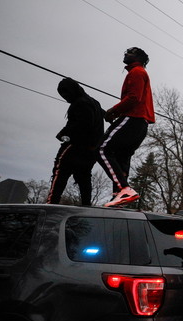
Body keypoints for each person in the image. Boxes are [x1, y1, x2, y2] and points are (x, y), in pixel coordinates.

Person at [98, 46, 155, 207]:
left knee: (101, 149)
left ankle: (124, 189)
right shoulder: (140, 72)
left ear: (139, 58)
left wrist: (113, 111)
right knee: (121, 157)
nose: (126, 54)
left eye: (130, 53)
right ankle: (119, 197)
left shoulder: (137, 72)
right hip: (141, 124)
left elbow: (134, 98)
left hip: (133, 119)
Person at [47, 78, 104, 206]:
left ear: (73, 90)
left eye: (66, 93)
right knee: (84, 177)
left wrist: (63, 133)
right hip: (91, 150)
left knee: (60, 172)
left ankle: (52, 203)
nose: (65, 97)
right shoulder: (95, 103)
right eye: (62, 95)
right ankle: (86, 205)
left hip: (75, 146)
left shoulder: (80, 103)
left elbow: (82, 125)